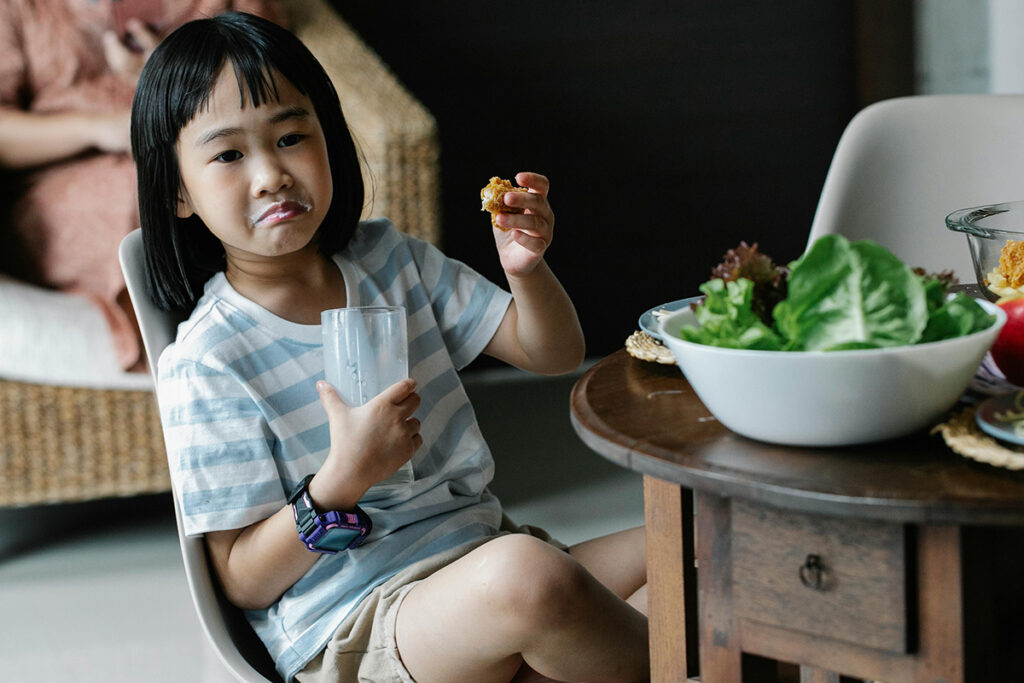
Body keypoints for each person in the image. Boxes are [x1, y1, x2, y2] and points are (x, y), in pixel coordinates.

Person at [133, 12, 648, 683]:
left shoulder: (389, 259)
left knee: (703, 545)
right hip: (359, 620)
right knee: (533, 577)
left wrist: (526, 272)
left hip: (480, 563)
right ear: (177, 189)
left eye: (291, 136)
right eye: (229, 155)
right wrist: (341, 479)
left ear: (329, 139)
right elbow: (241, 581)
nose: (270, 175)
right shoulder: (208, 359)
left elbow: (550, 352)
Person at [0, 0, 283, 370]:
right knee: (141, 203)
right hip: (66, 172)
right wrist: (97, 128)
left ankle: (266, 332)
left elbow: (271, 80)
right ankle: (188, 364)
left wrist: (165, 78)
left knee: (208, 188)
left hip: (195, 147)